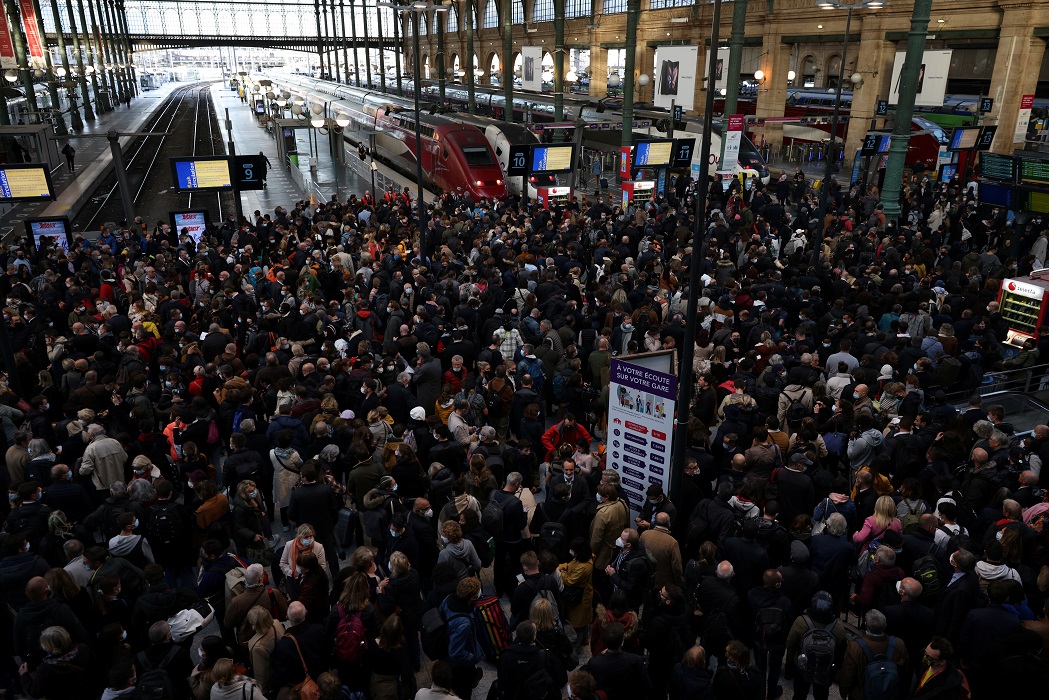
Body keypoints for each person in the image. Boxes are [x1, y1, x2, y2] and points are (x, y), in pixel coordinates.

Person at [582, 621, 650, 700]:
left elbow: (588, 688)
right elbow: (647, 686)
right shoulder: (636, 660)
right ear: (622, 641)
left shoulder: (594, 663)